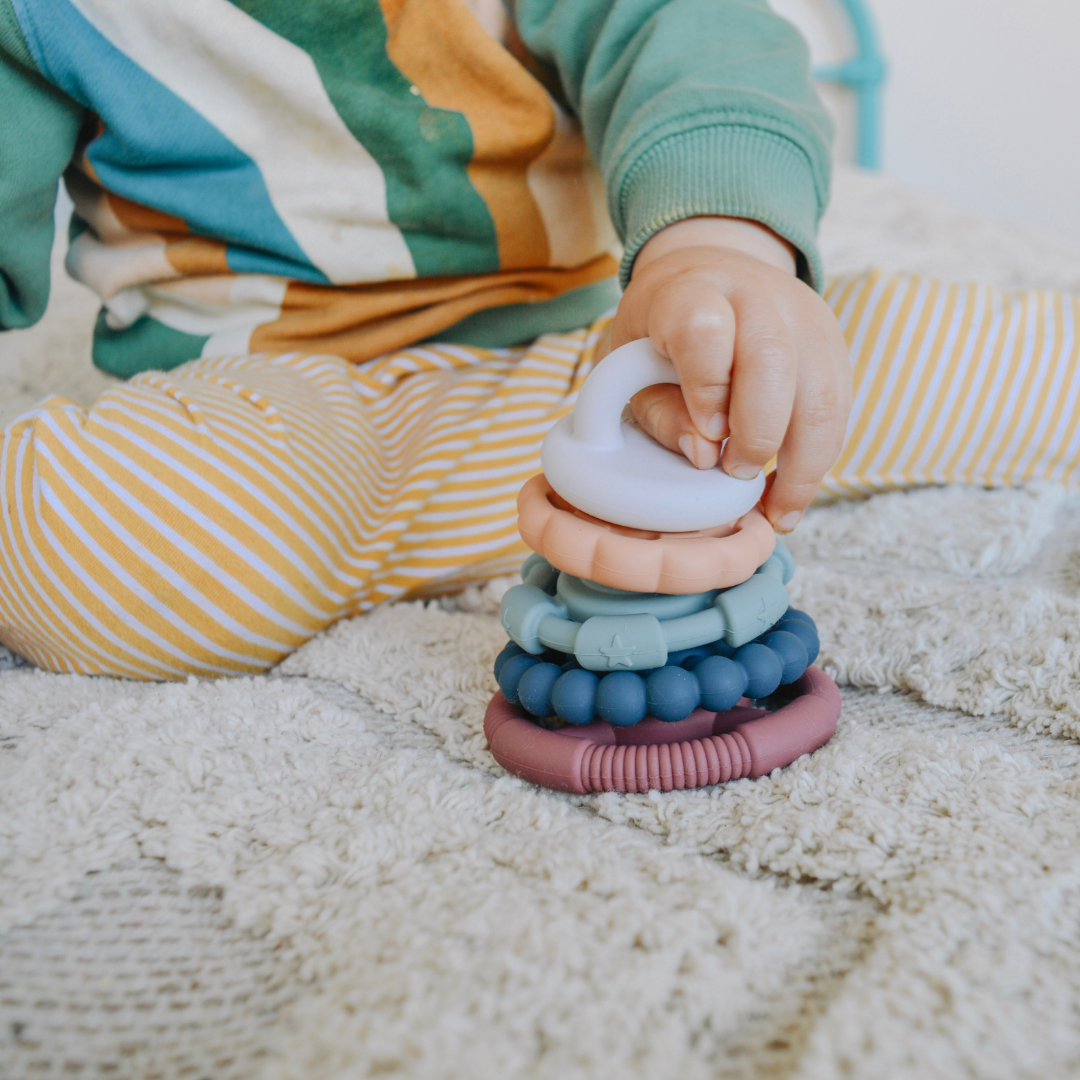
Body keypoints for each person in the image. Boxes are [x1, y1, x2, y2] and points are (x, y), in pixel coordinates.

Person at [0, 0, 1076, 679]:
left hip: (628, 357)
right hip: (286, 414)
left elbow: (695, 37)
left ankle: (638, 415)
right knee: (79, 540)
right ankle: (540, 470)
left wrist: (720, 252)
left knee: (851, 363)